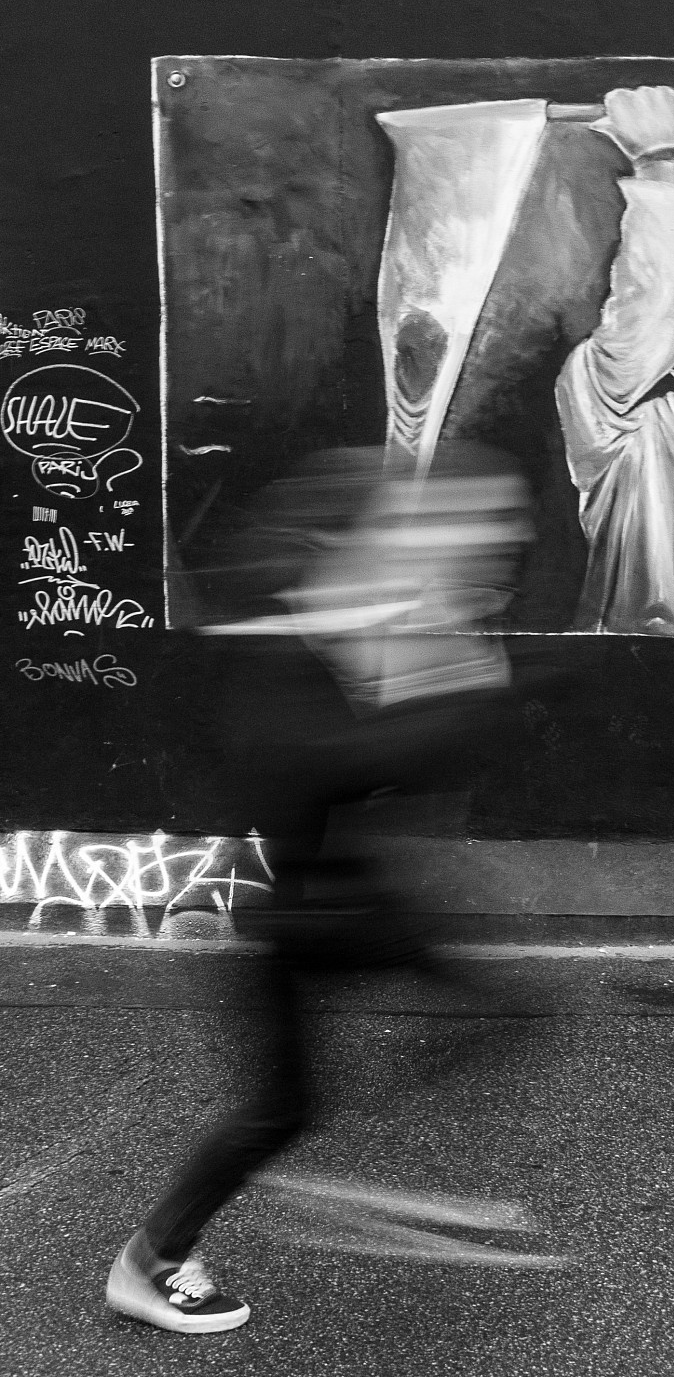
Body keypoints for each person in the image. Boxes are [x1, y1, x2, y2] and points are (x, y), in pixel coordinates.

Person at [107, 447, 532, 1335]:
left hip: (329, 903)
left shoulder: (322, 627)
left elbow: (384, 761)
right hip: (310, 914)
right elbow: (322, 771)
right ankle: (146, 1267)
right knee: (485, 1010)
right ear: (331, 543)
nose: (397, 550)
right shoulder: (277, 646)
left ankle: (152, 1261)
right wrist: (456, 693)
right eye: (382, 532)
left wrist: (442, 679)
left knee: (284, 1105)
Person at [555, 85, 674, 634]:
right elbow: (654, 295)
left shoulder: (627, 384)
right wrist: (659, 159)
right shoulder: (600, 379)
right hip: (655, 632)